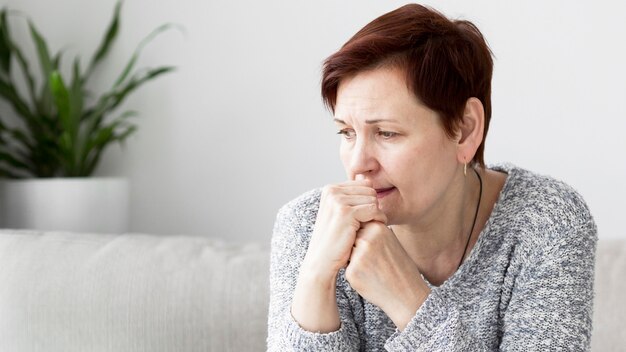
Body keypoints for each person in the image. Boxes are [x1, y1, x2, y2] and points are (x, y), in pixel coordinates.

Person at [266, 4, 597, 351]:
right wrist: (317, 275)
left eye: (387, 133)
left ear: (465, 130)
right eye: (347, 133)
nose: (359, 163)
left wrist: (406, 298)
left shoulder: (547, 223)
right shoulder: (307, 228)